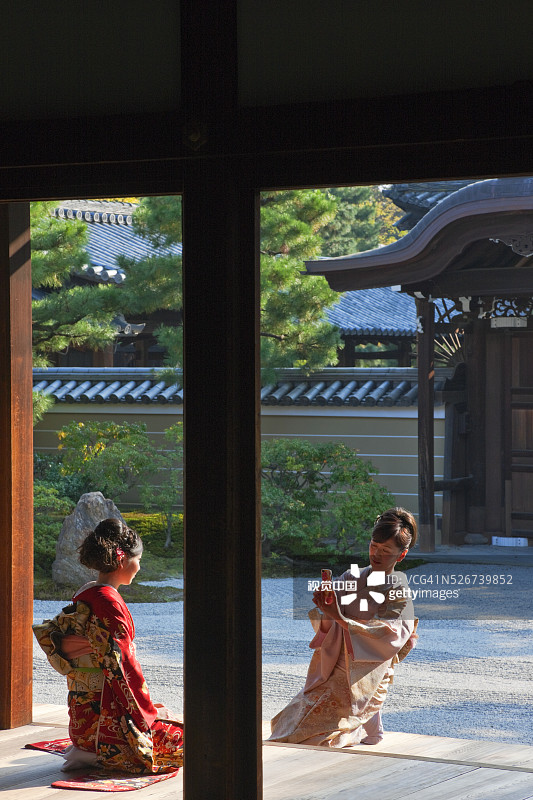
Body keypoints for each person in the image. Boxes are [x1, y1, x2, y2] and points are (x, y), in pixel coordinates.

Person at [33, 518, 183, 774]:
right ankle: (99, 755)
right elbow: (122, 668)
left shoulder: (87, 591)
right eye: (139, 560)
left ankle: (85, 750)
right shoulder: (109, 603)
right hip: (106, 719)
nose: (139, 567)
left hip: (84, 720)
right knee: (184, 740)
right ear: (123, 560)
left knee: (166, 717)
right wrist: (145, 713)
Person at [269, 507, 418, 748]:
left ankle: (366, 730)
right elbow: (328, 607)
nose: (376, 555)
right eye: (373, 546)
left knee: (316, 736)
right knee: (285, 724)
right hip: (334, 662)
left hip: (367, 669)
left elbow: (389, 635)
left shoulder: (398, 588)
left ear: (401, 555)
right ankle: (370, 729)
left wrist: (339, 618)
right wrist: (325, 601)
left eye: (386, 551)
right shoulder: (353, 577)